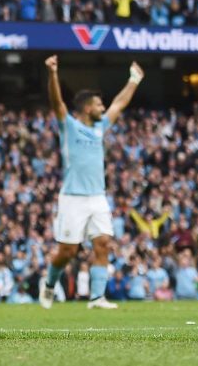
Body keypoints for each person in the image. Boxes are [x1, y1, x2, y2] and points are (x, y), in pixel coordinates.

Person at [39, 55, 144, 310]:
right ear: (87, 108)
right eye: (99, 104)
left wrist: (134, 80)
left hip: (97, 196)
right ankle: (50, 283)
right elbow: (57, 102)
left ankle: (97, 298)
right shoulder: (70, 127)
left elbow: (119, 105)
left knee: (103, 243)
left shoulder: (100, 128)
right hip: (72, 197)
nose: (103, 107)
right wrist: (53, 74)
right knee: (68, 251)